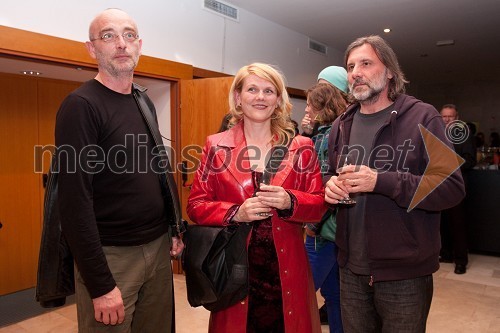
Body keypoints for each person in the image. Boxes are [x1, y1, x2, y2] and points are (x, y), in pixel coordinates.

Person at [54, 8, 184, 332]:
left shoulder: (142, 100)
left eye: (128, 35)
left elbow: (158, 170)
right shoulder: (81, 106)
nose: (121, 43)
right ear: (92, 48)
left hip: (156, 248)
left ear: (139, 44)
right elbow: (73, 202)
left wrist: (173, 226)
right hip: (111, 256)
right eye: (109, 36)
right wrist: (99, 284)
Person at [324, 35, 465, 332]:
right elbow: (328, 173)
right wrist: (329, 187)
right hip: (350, 269)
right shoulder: (342, 124)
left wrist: (382, 181)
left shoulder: (423, 117)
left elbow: (451, 187)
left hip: (405, 275)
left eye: (366, 63)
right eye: (350, 66)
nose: (356, 73)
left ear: (389, 71)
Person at [187, 62, 326, 333]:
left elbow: (319, 205)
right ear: (238, 97)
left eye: (268, 91)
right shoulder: (216, 146)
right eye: (252, 89)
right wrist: (235, 212)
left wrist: (290, 201)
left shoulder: (301, 147)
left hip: (287, 269)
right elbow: (196, 204)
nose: (260, 97)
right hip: (235, 269)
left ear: (278, 99)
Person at [303, 67, 349, 333]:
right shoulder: (338, 129)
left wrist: (311, 224)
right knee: (335, 296)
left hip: (322, 230)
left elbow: (319, 184)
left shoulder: (330, 134)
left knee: (300, 292)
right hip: (337, 231)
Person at [439, 104, 476, 274]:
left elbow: (469, 160)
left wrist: (449, 165)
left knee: (458, 224)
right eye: (444, 116)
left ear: (457, 118)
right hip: (439, 187)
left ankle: (460, 260)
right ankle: (446, 254)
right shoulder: (436, 134)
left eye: (450, 117)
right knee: (443, 223)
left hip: (457, 187)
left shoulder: (465, 134)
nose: (446, 120)